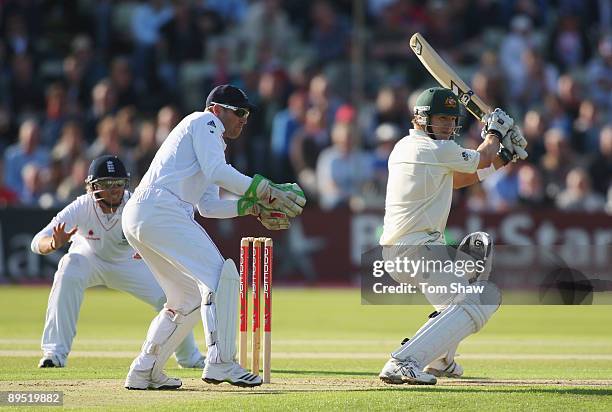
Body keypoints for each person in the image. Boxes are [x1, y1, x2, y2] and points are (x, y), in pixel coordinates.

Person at [122, 84, 305, 390]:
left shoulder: (212, 145)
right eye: (240, 113)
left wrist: (251, 207)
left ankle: (145, 370)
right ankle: (221, 362)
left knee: (187, 299)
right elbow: (218, 171)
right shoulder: (203, 121)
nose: (244, 120)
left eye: (247, 114)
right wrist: (264, 189)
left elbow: (207, 207)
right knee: (221, 278)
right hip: (161, 209)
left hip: (147, 213)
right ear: (217, 110)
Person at [377, 87, 528, 385]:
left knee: (459, 301)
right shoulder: (430, 149)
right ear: (420, 119)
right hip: (415, 250)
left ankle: (441, 360)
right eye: (440, 118)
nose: (447, 125)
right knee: (482, 298)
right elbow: (481, 156)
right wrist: (495, 133)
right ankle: (403, 361)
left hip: (407, 250)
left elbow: (459, 178)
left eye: (450, 119)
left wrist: (503, 158)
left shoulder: (409, 148)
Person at [31, 155, 205, 369]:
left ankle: (189, 357)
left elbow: (164, 233)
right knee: (68, 267)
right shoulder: (82, 206)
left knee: (170, 295)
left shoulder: (135, 205)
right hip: (90, 258)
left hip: (130, 263)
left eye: (119, 183)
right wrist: (52, 244)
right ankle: (54, 354)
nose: (114, 189)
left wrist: (152, 249)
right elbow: (37, 241)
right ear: (93, 187)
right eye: (106, 184)